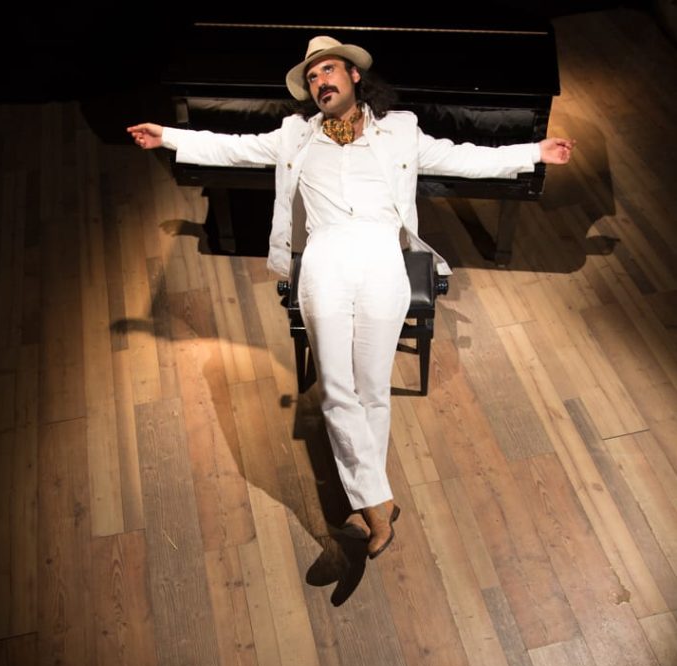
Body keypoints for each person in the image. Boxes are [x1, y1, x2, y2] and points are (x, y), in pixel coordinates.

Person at [127, 35, 575, 559]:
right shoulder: (295, 135)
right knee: (337, 387)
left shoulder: (400, 130)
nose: (320, 81)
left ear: (354, 75)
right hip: (325, 255)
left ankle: (372, 505)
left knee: (372, 389)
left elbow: (461, 158)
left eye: (328, 70)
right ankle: (377, 507)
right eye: (312, 77)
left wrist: (533, 152)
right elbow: (233, 145)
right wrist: (168, 137)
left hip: (382, 253)